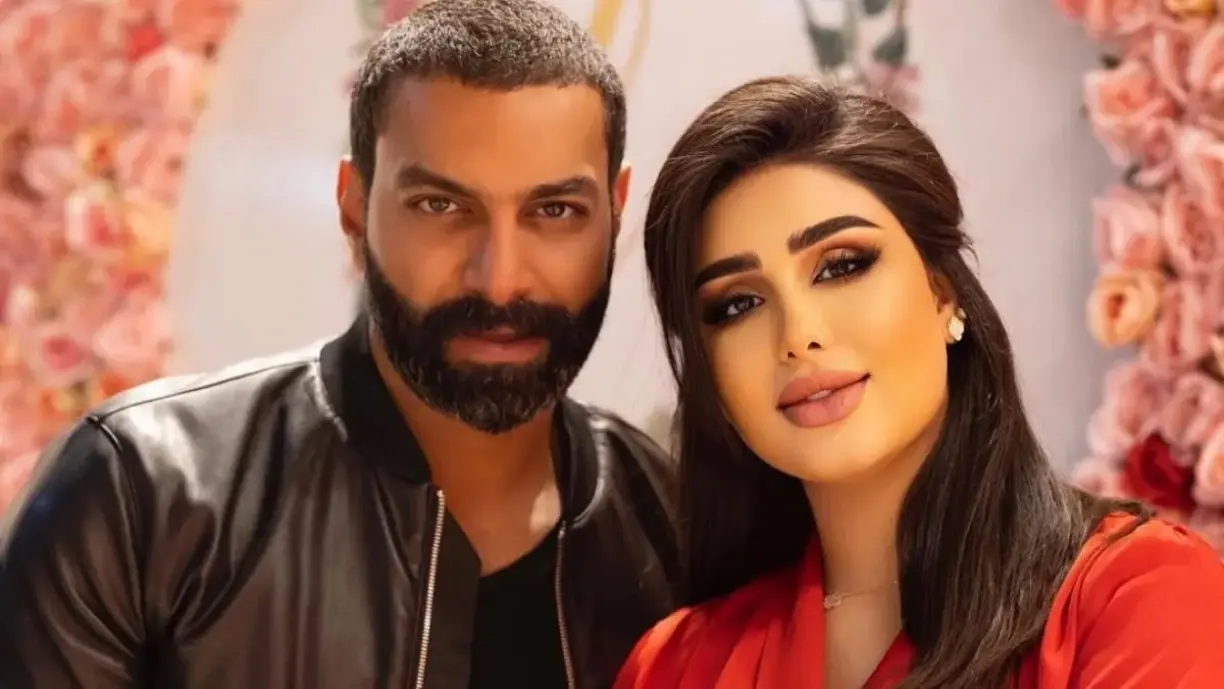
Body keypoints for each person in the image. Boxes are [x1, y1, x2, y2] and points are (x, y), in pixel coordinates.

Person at [0, 1, 680, 687]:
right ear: (354, 208)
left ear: (616, 211)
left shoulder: (672, 527)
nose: (499, 278)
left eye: (555, 211)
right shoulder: (142, 495)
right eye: (441, 206)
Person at [613, 76, 1224, 689]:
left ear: (942, 292)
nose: (798, 335)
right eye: (738, 304)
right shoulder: (674, 667)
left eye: (841, 266)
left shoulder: (1136, 599)